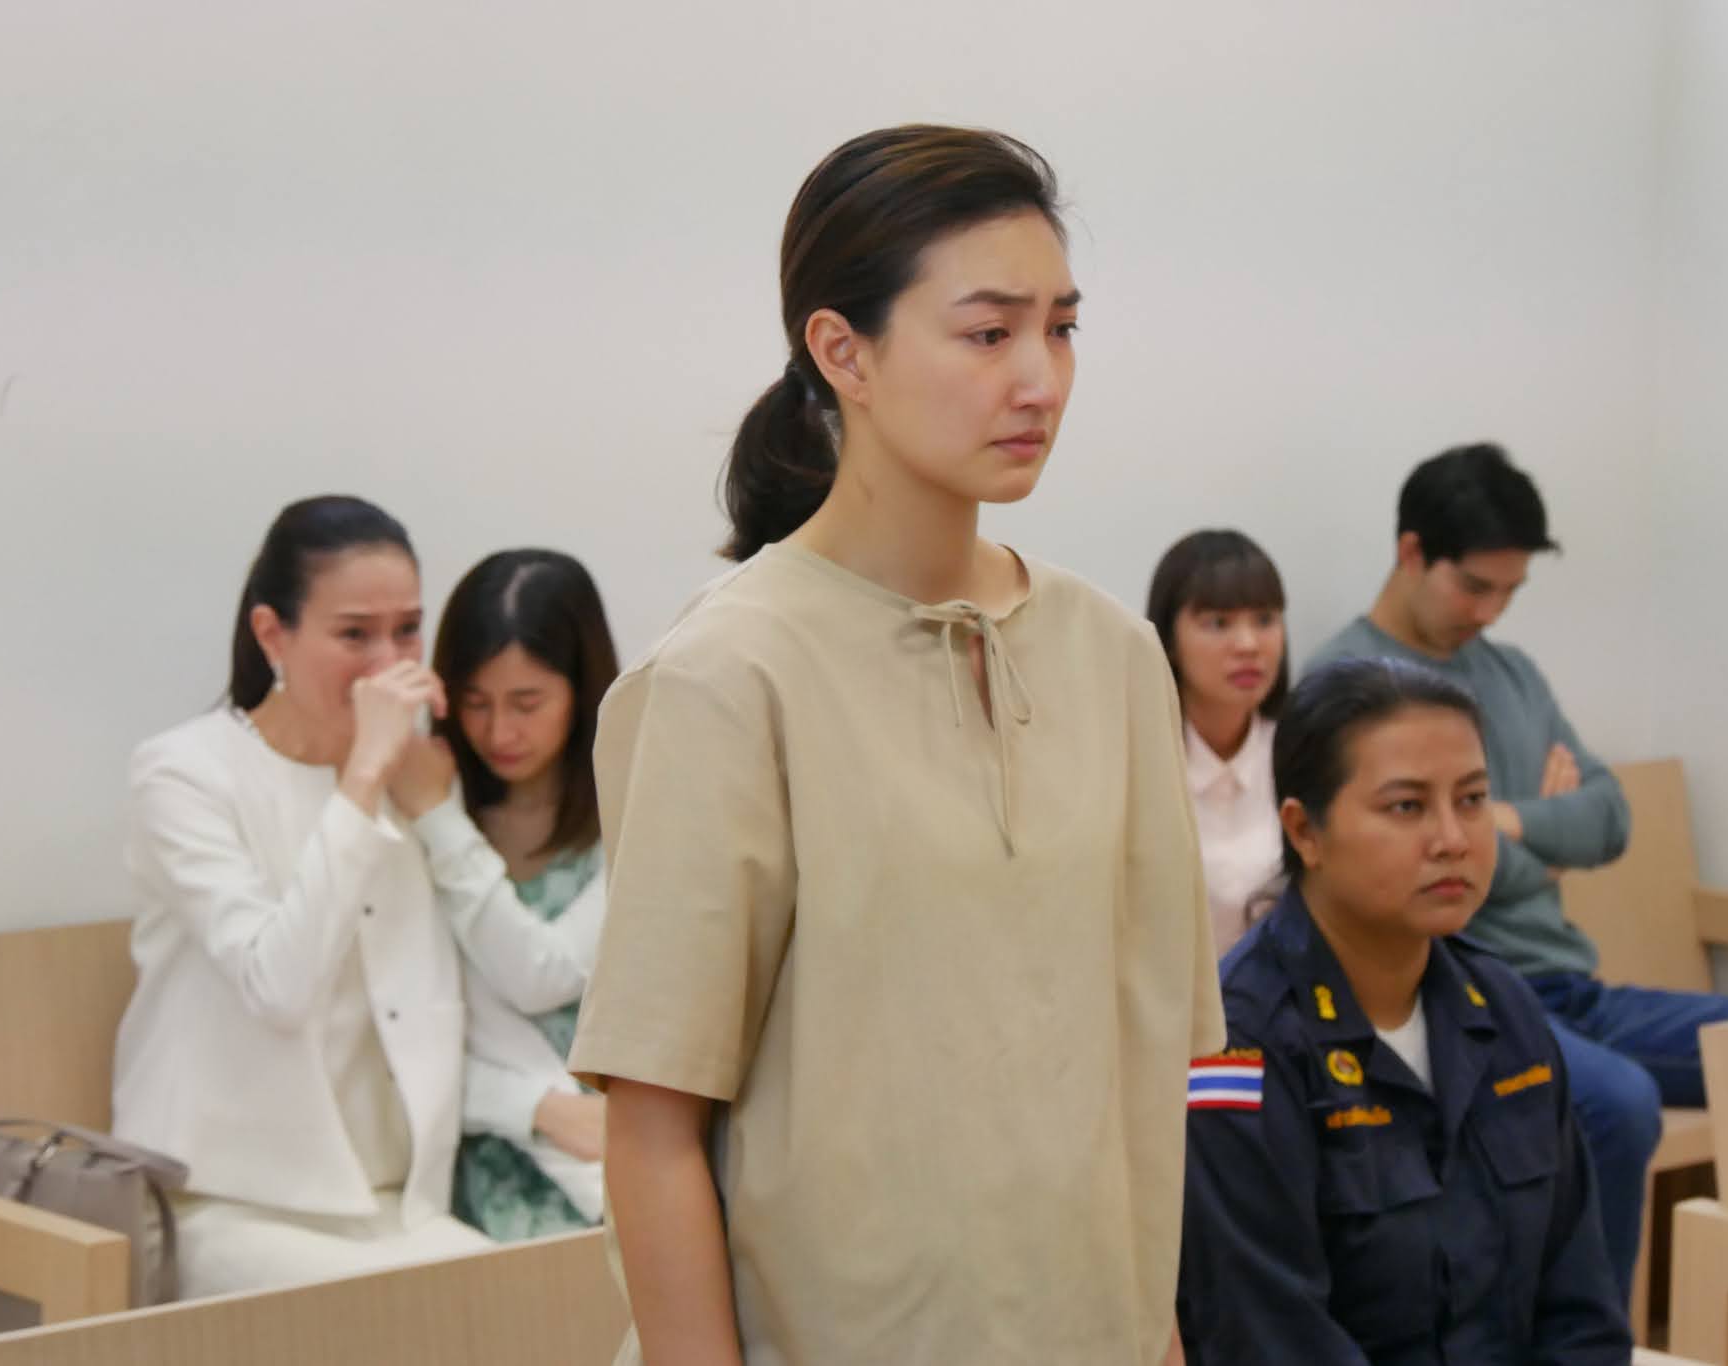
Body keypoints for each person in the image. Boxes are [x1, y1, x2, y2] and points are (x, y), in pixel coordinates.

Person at [565, 125, 1224, 1365]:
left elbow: (1153, 1079)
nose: (1039, 379)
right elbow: (651, 1130)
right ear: (841, 352)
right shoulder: (726, 676)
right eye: (987, 334)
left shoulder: (1115, 657)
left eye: (1060, 329)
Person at [1307, 442, 1728, 1300]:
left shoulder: (1513, 675)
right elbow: (1406, 880)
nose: (1490, 612)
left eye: (1510, 592)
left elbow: (1610, 816)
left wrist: (1512, 823)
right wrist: (1541, 851)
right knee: (1618, 1103)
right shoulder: (1350, 685)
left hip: (1574, 988)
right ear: (1412, 552)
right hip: (1463, 994)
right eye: (1474, 587)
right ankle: (1591, 1342)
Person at [1178, 656, 1632, 1364]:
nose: (1453, 838)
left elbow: (1582, 1312)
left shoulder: (1504, 1008)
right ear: (1304, 831)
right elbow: (1269, 1338)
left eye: (1473, 799)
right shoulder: (1238, 1046)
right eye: (1407, 807)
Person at [111, 495, 493, 1297]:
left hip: (398, 1205)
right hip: (226, 1201)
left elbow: (475, 975)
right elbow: (277, 986)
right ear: (272, 634)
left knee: (555, 1303)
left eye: (407, 630)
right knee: (435, 1320)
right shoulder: (183, 773)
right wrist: (364, 777)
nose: (387, 662)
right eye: (355, 634)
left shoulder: (417, 774)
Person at [422, 548, 619, 1239]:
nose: (499, 732)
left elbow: (544, 975)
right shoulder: (428, 819)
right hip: (473, 1157)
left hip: (613, 1157)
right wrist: (537, 1109)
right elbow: (393, 1038)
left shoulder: (632, 814)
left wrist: (438, 824)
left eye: (527, 703)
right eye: (475, 703)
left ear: (581, 688)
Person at [1146, 529, 1290, 953]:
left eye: (1264, 620)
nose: (1248, 645)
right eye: (1218, 623)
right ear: (1169, 640)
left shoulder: (1303, 752)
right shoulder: (1136, 759)